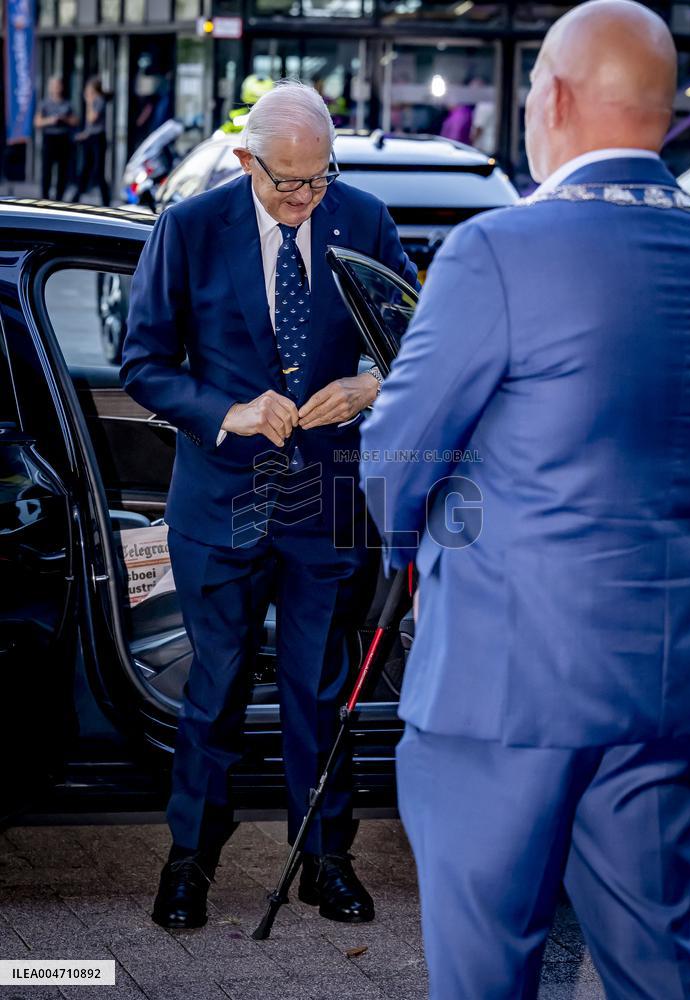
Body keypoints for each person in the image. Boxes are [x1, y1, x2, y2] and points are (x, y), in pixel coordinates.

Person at [360, 1, 690, 997]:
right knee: (665, 967)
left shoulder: (497, 250)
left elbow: (393, 456)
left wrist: (413, 557)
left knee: (486, 969)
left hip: (502, 684)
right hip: (671, 683)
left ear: (550, 98)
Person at [121, 80, 417, 930]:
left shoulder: (364, 218)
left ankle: (325, 859)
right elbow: (142, 363)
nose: (303, 199)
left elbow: (417, 339)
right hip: (221, 497)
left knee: (319, 689)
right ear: (247, 160)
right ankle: (190, 861)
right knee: (214, 688)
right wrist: (231, 412)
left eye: (319, 179)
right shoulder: (188, 227)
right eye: (287, 182)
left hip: (327, 494)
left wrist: (369, 384)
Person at [34, 77, 78, 200]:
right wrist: (50, 120)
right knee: (46, 169)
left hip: (63, 139)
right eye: (54, 86)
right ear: (50, 88)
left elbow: (75, 121)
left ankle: (59, 197)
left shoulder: (67, 104)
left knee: (62, 170)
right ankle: (45, 197)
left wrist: (64, 119)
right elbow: (37, 122)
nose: (57, 88)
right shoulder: (44, 104)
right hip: (49, 138)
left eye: (59, 85)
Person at [72, 77, 111, 206]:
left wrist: (89, 102)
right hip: (90, 137)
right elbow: (90, 125)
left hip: (98, 138)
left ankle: (106, 200)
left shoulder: (98, 100)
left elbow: (92, 118)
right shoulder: (94, 100)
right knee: (86, 168)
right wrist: (85, 134)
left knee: (98, 170)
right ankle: (77, 196)